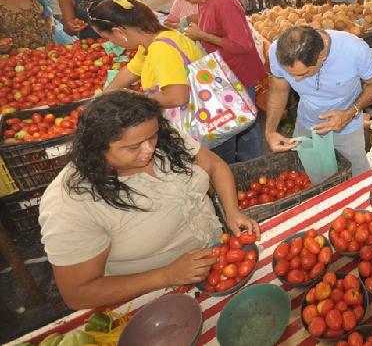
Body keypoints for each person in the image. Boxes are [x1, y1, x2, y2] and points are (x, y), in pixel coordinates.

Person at [38, 90, 259, 309]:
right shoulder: (69, 204)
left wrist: (232, 212)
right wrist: (166, 275)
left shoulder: (151, 134)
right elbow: (78, 294)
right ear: (96, 149)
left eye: (152, 137)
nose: (149, 149)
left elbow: (215, 165)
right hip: (153, 299)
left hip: (220, 260)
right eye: (133, 147)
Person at [156, 0, 266, 163]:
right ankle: (239, 165)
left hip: (238, 74)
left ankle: (255, 165)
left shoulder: (223, 2)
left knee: (247, 126)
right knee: (234, 122)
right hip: (224, 74)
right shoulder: (206, 1)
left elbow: (242, 46)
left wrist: (203, 35)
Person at [265, 26, 372, 177]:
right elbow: (279, 90)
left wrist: (350, 112)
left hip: (347, 129)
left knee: (356, 178)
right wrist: (270, 131)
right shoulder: (277, 51)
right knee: (309, 177)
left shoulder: (354, 50)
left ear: (322, 57)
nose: (296, 80)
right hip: (306, 125)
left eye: (303, 73)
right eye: (291, 74)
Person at [94, 0, 203, 109]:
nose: (110, 42)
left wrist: (130, 101)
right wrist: (103, 99)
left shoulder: (161, 48)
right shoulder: (151, 40)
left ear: (119, 32)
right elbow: (130, 72)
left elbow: (176, 98)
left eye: (107, 37)